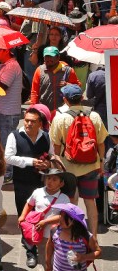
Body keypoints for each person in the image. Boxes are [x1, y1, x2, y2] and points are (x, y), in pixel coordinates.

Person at [49, 84, 107, 234]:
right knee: (90, 202)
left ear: (65, 99)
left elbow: (55, 147)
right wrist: (101, 163)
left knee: (71, 202)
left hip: (68, 168)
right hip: (91, 166)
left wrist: (57, 168)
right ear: (82, 98)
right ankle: (93, 237)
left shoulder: (60, 118)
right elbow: (101, 144)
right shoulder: (94, 116)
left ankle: (71, 234)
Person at [4, 103, 52, 268]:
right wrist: (31, 162)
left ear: (40, 123)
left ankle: (39, 244)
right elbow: (8, 157)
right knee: (26, 217)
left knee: (41, 215)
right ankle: (31, 250)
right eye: (27, 120)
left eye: (33, 121)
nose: (29, 124)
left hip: (42, 184)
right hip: (22, 183)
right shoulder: (15, 136)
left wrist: (46, 164)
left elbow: (52, 156)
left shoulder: (46, 136)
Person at [46, 203, 101, 271]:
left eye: (64, 217)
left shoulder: (86, 237)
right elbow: (50, 246)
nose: (60, 219)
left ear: (73, 221)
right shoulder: (55, 231)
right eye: (60, 215)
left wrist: (84, 257)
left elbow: (98, 252)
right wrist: (47, 263)